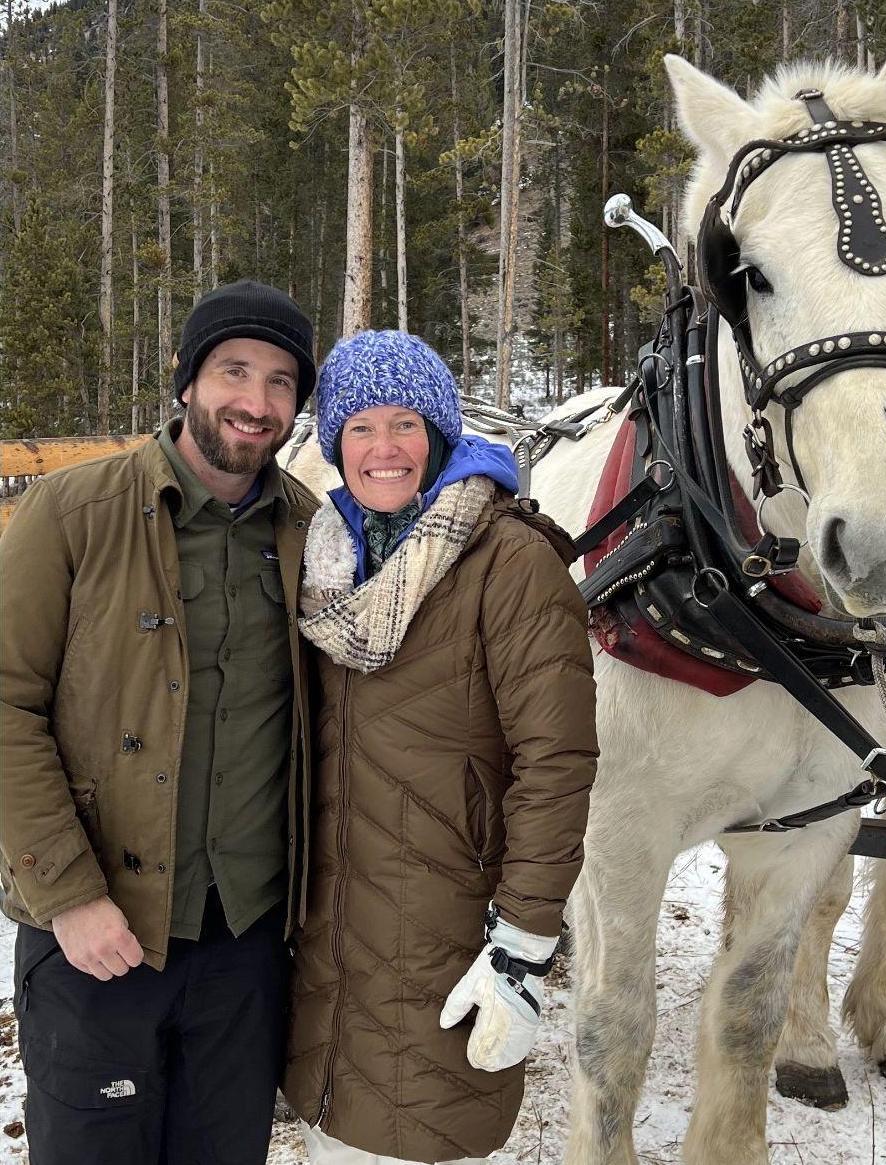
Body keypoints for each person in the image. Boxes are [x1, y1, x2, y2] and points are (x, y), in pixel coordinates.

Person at [0, 280, 320, 1163]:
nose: (256, 403)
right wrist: (68, 894)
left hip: (247, 946)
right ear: (185, 379)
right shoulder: (73, 512)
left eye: (282, 382)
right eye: (234, 371)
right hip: (97, 937)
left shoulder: (311, 532)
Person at [281, 330, 599, 1165]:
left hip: (446, 941)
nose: (383, 449)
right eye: (359, 427)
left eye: (406, 424)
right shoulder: (323, 558)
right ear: (333, 442)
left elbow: (554, 765)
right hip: (330, 944)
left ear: (443, 433)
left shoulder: (511, 562)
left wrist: (522, 948)